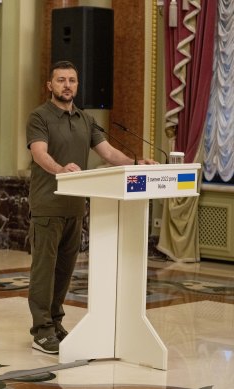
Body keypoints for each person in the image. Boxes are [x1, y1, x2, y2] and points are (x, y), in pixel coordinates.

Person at [26, 60, 156, 354]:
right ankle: (41, 331)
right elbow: (39, 154)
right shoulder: (39, 117)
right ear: (50, 85)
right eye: (61, 80)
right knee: (44, 270)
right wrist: (60, 169)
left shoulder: (85, 119)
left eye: (72, 80)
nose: (67, 85)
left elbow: (108, 152)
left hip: (76, 206)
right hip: (48, 204)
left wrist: (137, 164)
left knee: (64, 270)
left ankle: (56, 322)